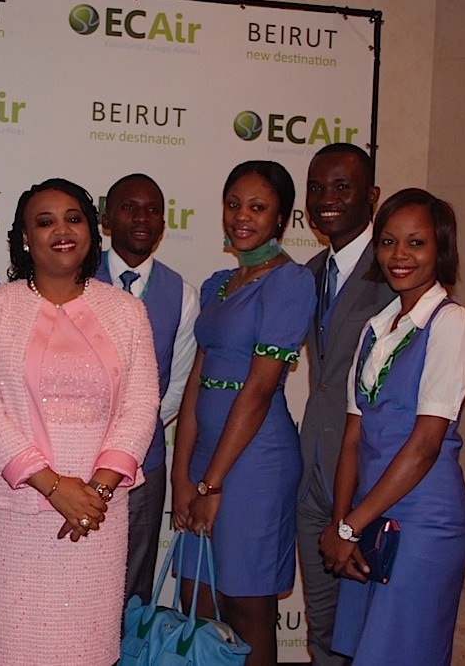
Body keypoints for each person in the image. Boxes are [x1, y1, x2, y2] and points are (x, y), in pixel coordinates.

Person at [0, 178, 159, 666]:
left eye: (73, 219)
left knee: (87, 648)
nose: (62, 231)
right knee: (15, 648)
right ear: (25, 238)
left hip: (98, 513)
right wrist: (52, 486)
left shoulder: (127, 312)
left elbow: (141, 405)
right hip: (18, 514)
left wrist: (97, 492)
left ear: (91, 230)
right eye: (44, 222)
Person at [319, 188, 465, 665]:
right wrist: (341, 523)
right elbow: (353, 436)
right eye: (389, 242)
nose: (400, 255)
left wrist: (350, 526)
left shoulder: (452, 323)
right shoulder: (375, 327)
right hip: (368, 516)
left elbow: (426, 444)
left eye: (416, 243)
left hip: (424, 523)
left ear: (441, 248)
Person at [171, 161, 316, 665]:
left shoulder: (290, 282)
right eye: (234, 204)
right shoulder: (218, 284)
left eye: (257, 207)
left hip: (256, 462)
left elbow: (258, 390)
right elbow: (196, 381)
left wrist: (211, 484)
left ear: (281, 218)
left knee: (245, 606)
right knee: (197, 602)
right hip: (204, 460)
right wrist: (183, 477)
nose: (241, 216)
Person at [297, 143, 395, 665]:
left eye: (342, 187)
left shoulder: (395, 272)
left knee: (366, 633)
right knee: (322, 629)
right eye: (317, 188)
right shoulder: (309, 273)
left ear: (371, 196)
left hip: (368, 481)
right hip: (312, 474)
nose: (327, 199)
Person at [96, 173, 199, 603]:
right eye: (129, 208)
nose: (142, 218)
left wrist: (135, 431)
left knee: (131, 590)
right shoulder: (74, 276)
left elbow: (176, 385)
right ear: (106, 219)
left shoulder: (182, 294)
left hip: (144, 463)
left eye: (153, 210)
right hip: (70, 461)